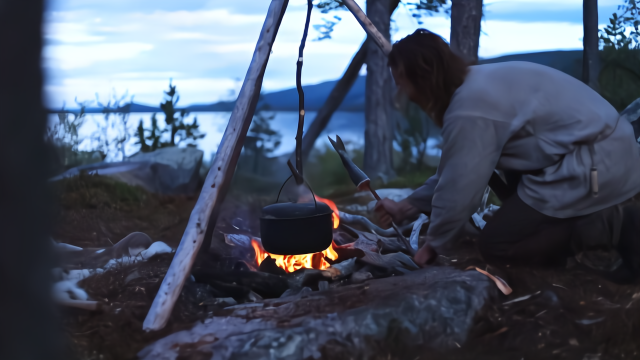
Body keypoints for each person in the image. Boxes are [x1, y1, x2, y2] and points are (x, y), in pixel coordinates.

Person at [375, 29, 640, 281]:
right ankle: (555, 241)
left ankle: (613, 226)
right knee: (512, 208)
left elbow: (459, 187)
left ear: (423, 78)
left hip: (599, 160)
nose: (403, 93)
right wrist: (407, 206)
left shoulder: (470, 109)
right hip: (587, 152)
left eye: (403, 83)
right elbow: (456, 169)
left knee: (496, 245)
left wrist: (433, 244)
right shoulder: (472, 90)